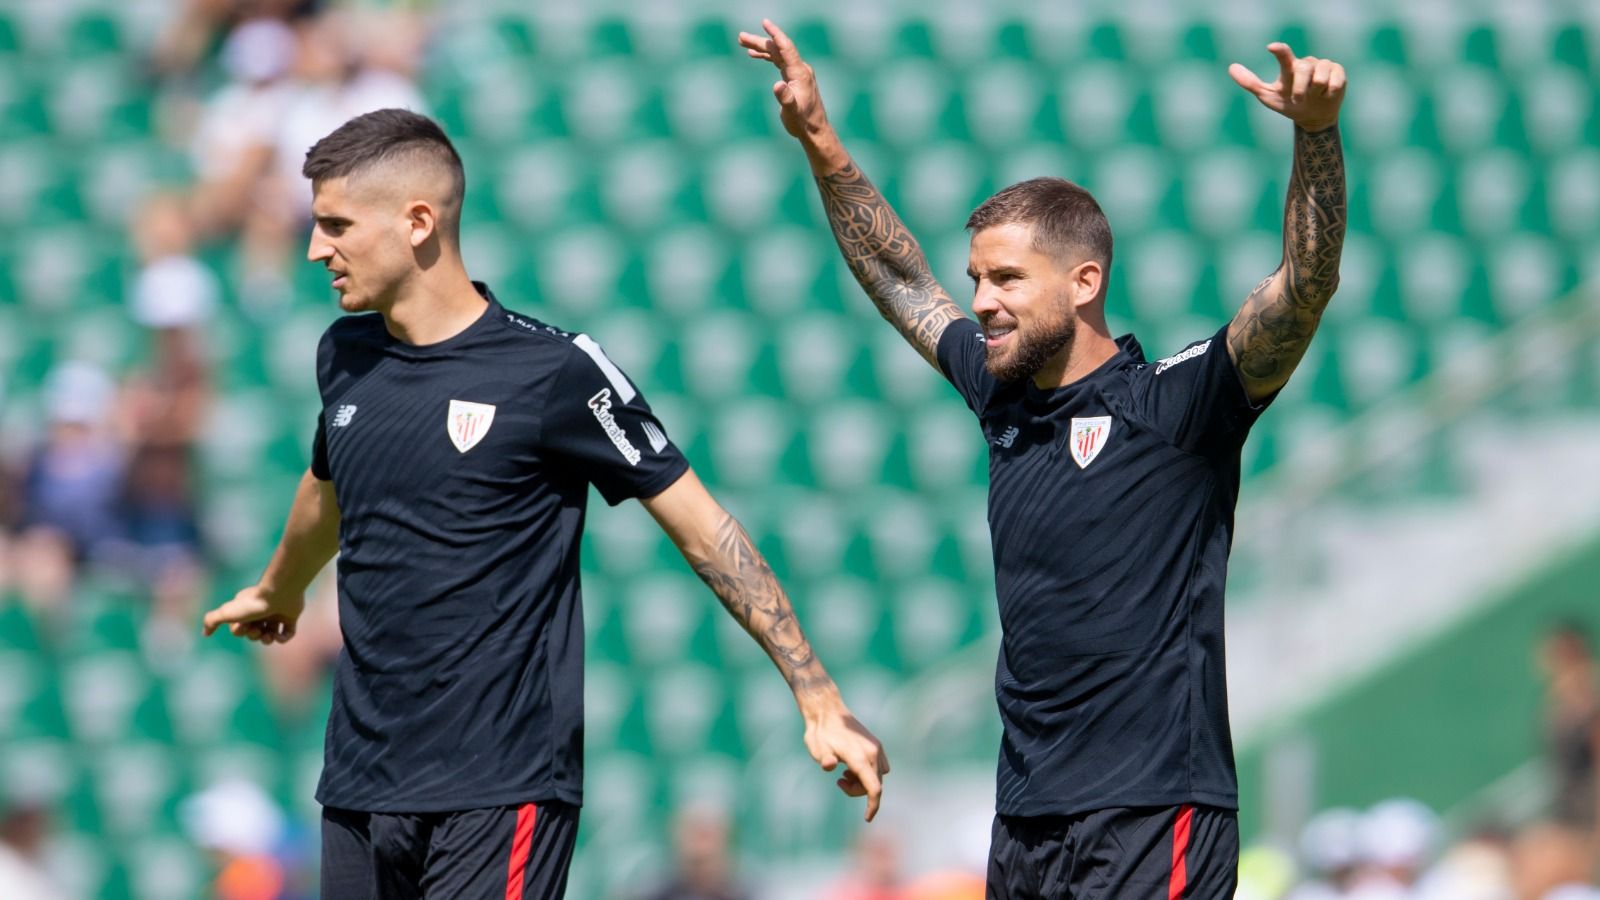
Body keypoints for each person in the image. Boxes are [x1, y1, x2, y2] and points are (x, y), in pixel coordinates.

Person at [200, 108, 888, 898]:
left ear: (418, 222)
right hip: (357, 781)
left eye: (336, 225)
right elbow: (328, 487)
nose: (317, 247)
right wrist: (281, 586)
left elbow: (704, 531)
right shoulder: (345, 356)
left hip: (499, 783)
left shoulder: (556, 371)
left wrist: (817, 694)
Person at [742, 20, 1346, 899]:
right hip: (1025, 822)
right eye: (978, 279)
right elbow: (903, 279)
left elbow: (1305, 285)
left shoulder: (1178, 404)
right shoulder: (1004, 398)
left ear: (1085, 282)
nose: (981, 302)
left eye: (1007, 280)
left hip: (1153, 812)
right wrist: (821, 140)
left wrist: (1315, 135)